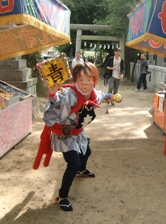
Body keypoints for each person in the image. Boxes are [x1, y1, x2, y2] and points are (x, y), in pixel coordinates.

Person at [41, 62, 114, 211]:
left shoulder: (92, 92)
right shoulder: (69, 94)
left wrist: (110, 96)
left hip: (79, 132)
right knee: (73, 163)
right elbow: (54, 109)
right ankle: (63, 196)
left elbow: (100, 96)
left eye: (89, 79)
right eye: (81, 80)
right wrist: (53, 95)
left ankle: (82, 170)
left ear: (94, 80)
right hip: (65, 135)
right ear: (76, 80)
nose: (85, 83)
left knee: (87, 152)